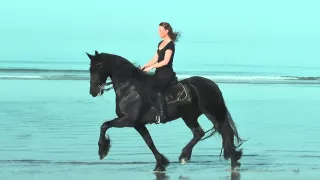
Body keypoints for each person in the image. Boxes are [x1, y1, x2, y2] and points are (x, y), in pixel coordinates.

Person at [140, 22, 181, 124]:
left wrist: (151, 67)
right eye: (158, 30)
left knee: (157, 90)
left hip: (166, 74)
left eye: (160, 30)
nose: (158, 32)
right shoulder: (160, 43)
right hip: (158, 73)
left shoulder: (170, 44)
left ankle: (162, 115)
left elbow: (165, 61)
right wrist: (145, 65)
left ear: (166, 31)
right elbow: (156, 58)